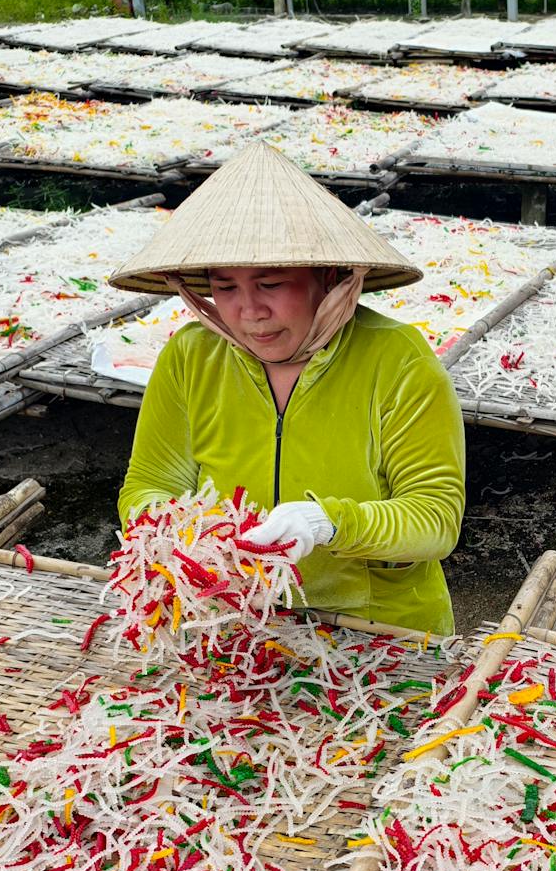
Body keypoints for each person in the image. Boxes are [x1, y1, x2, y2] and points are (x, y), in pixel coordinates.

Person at [109, 142, 466, 635]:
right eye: (226, 287)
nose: (250, 311)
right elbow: (149, 485)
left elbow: (435, 518)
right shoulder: (191, 356)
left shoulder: (397, 360)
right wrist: (187, 534)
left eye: (271, 284)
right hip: (232, 622)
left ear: (329, 277)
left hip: (379, 630)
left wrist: (327, 523)